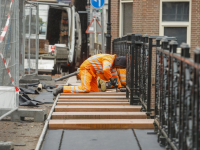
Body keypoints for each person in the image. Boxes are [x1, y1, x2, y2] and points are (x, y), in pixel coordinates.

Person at [53, 54, 126, 96]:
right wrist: (111, 80)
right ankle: (63, 89)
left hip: (92, 72)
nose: (118, 68)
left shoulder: (113, 65)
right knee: (85, 89)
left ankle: (70, 87)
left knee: (94, 91)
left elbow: (114, 76)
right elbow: (105, 70)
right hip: (86, 68)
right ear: (118, 63)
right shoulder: (109, 59)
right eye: (119, 67)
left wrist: (119, 87)